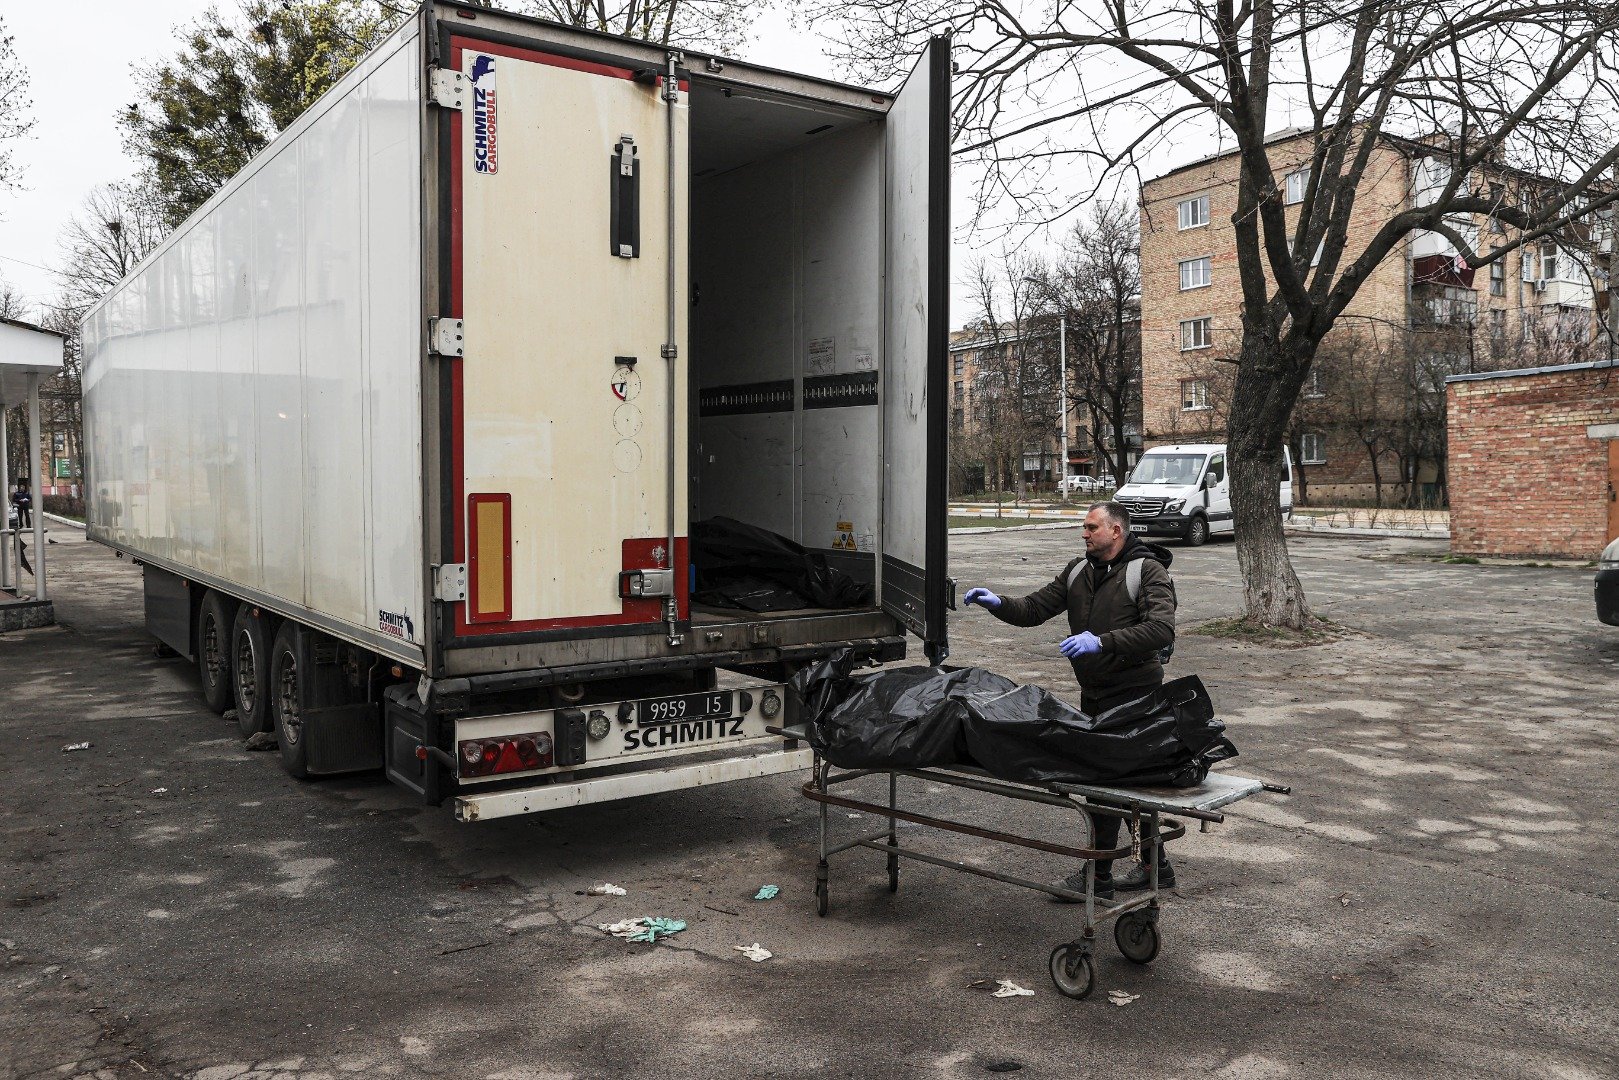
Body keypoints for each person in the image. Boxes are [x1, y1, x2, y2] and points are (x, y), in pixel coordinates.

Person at [961, 500, 1178, 901]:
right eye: (1084, 527)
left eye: (1092, 527)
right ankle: (1155, 866)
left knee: (1105, 785)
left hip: (1136, 695)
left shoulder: (1146, 571)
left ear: (1116, 531)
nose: (1084, 533)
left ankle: (1098, 876)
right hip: (1095, 694)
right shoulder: (1079, 571)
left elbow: (1162, 629)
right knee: (1124, 783)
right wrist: (998, 603)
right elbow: (1034, 608)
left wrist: (1103, 641)